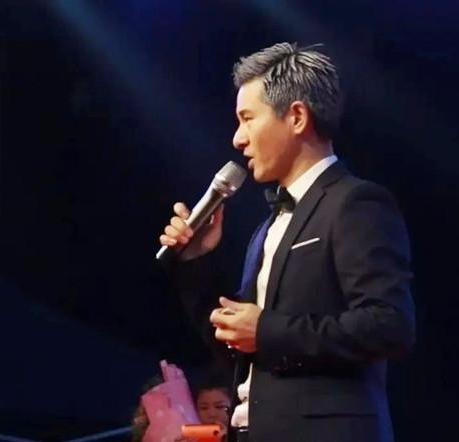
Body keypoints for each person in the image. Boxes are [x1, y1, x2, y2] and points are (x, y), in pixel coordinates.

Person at [159, 42, 416, 442]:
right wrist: (196, 261)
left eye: (247, 119)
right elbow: (238, 346)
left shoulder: (355, 202)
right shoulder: (267, 227)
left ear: (296, 117)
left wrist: (266, 331)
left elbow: (389, 325)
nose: (238, 139)